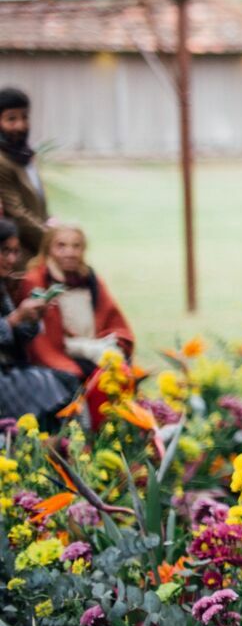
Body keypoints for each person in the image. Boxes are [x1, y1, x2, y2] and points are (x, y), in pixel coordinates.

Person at [18, 221, 134, 377]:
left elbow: (112, 317)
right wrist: (86, 349)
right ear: (48, 249)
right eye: (61, 246)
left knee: (119, 368)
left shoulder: (89, 278)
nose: (70, 253)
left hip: (96, 345)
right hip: (62, 356)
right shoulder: (36, 280)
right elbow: (40, 341)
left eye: (76, 246)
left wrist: (113, 343)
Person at [0, 218, 76, 422]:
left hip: (11, 368)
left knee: (69, 382)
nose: (11, 259)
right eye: (5, 251)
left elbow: (16, 339)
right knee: (58, 391)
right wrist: (16, 318)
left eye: (15, 252)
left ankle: (66, 446)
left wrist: (33, 318)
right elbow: (9, 327)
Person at [0, 88, 49, 258]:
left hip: (39, 254)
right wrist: (53, 240)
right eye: (11, 119)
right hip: (18, 259)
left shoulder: (25, 156)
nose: (21, 125)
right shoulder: (2, 161)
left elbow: (38, 205)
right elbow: (17, 214)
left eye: (25, 117)